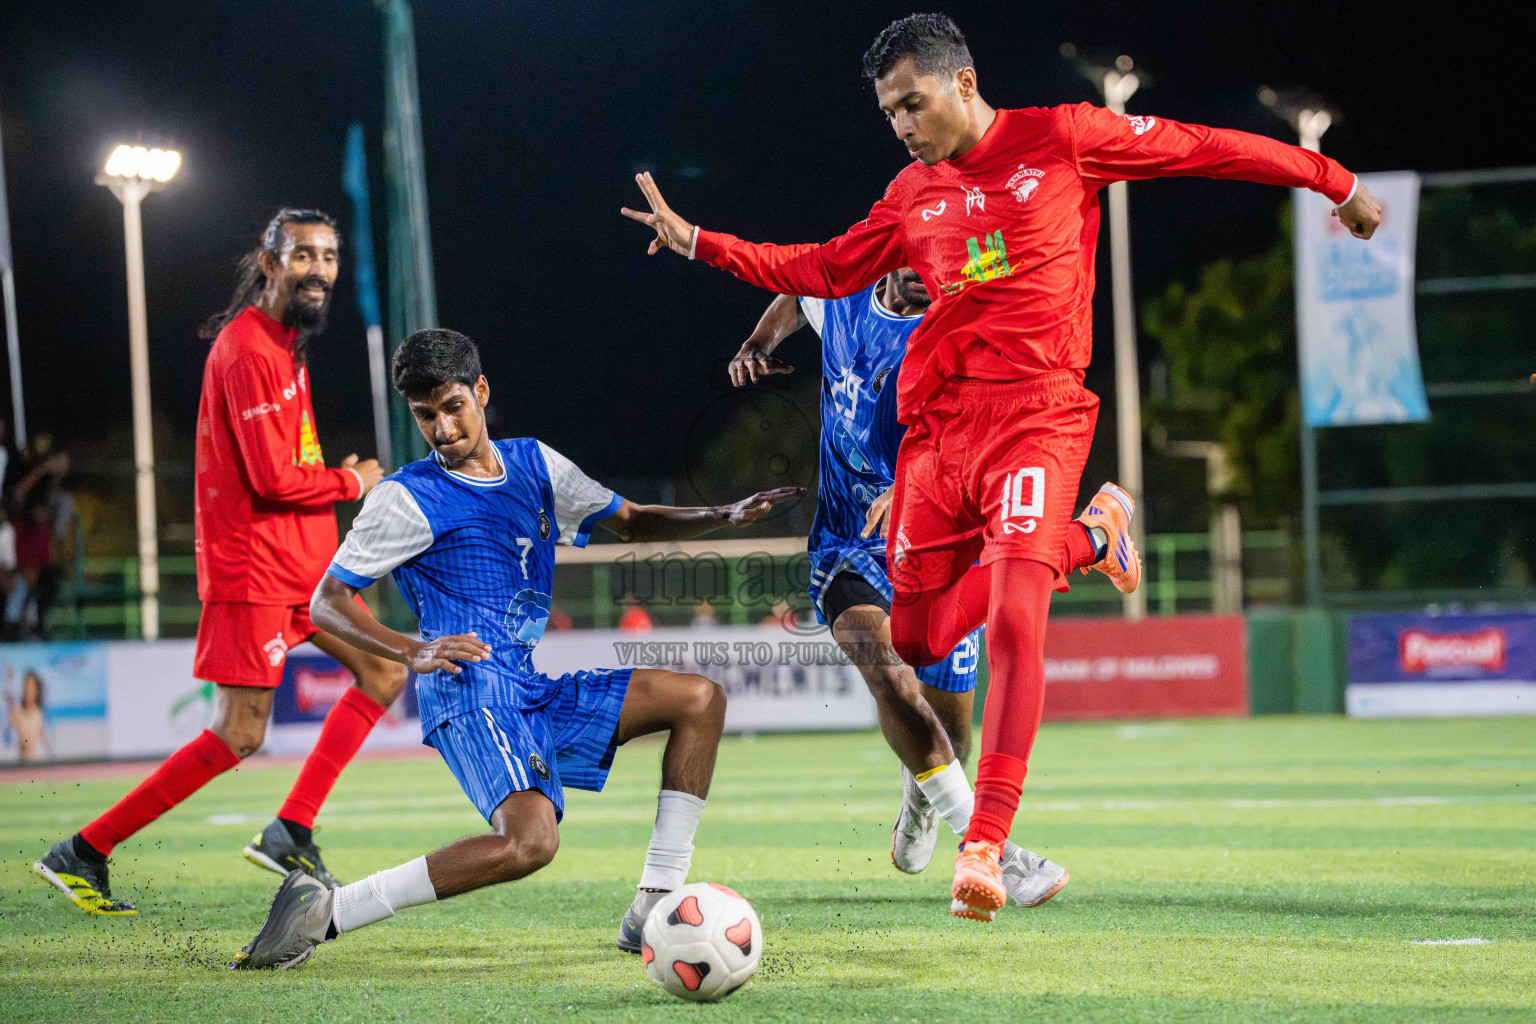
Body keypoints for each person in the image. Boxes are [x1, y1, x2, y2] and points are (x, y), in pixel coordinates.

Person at [622, 13, 1380, 920]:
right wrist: (700, 240)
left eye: (913, 102)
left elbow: (1202, 147)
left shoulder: (1063, 139)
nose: (901, 123)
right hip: (941, 438)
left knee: (1017, 610)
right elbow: (821, 268)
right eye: (889, 111)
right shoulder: (914, 196)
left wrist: (1333, 181)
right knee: (908, 645)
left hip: (1038, 417)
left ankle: (986, 844)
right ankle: (1093, 536)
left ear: (964, 82)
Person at [230, 329, 800, 969]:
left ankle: (654, 904)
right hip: (468, 689)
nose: (442, 429)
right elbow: (326, 601)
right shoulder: (405, 497)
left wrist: (721, 515)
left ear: (480, 391)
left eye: (452, 408)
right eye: (425, 416)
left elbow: (633, 520)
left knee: (700, 699)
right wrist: (409, 650)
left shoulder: (535, 464)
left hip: (526, 686)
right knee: (531, 844)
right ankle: (328, 911)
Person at [32, 209, 408, 917]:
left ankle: (291, 829)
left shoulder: (283, 344)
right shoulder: (249, 351)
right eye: (303, 255)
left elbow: (284, 465)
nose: (320, 269)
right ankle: (83, 851)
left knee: (384, 671)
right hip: (256, 573)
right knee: (240, 732)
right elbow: (272, 479)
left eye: (329, 257)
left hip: (300, 572)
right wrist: (352, 483)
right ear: (269, 263)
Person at [728, 268, 1064, 908]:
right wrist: (758, 344)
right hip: (845, 543)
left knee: (950, 733)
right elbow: (798, 295)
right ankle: (995, 853)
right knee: (890, 675)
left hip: (937, 541)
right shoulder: (846, 298)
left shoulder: (966, 330)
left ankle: (923, 796)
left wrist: (920, 484)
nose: (927, 279)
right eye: (915, 263)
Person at [5, 670, 50, 761]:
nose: (29, 690)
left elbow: (45, 743)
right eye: (26, 686)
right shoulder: (16, 712)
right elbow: (8, 739)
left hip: (38, 763)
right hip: (21, 765)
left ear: (36, 689)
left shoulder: (38, 713)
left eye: (32, 687)